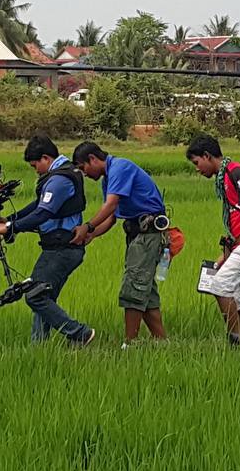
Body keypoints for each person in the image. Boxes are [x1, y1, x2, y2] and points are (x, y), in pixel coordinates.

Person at [0, 135, 96, 346]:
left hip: (62, 249)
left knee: (35, 296)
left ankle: (80, 333)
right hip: (59, 247)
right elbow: (37, 206)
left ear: (46, 158)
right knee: (43, 298)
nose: (35, 170)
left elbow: (42, 214)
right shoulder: (62, 173)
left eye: (35, 165)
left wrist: (10, 227)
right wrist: (10, 220)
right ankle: (39, 347)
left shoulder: (59, 180)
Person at [70, 142, 169, 346]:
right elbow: (112, 217)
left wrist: (87, 226)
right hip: (137, 234)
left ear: (93, 159)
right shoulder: (108, 178)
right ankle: (161, 342)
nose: (85, 174)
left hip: (148, 234)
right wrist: (92, 235)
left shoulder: (120, 168)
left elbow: (111, 204)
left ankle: (129, 344)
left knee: (133, 287)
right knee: (146, 289)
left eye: (83, 168)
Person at [186, 134, 240, 346]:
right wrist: (228, 253)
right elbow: (237, 215)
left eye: (197, 162)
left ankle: (234, 340)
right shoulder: (224, 177)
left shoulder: (234, 171)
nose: (197, 168)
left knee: (219, 285)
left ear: (207, 155)